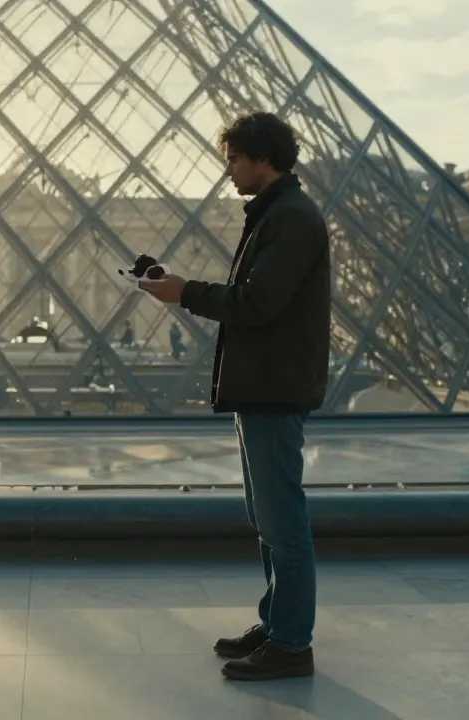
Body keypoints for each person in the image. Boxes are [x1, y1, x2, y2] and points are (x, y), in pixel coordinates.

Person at [139, 112, 330, 681]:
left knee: (282, 520)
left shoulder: (291, 218)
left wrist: (183, 293)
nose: (228, 172)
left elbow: (257, 302)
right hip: (263, 384)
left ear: (261, 158)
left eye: (233, 160)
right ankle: (277, 624)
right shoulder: (278, 212)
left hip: (273, 385)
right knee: (267, 517)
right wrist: (183, 288)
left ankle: (292, 643)